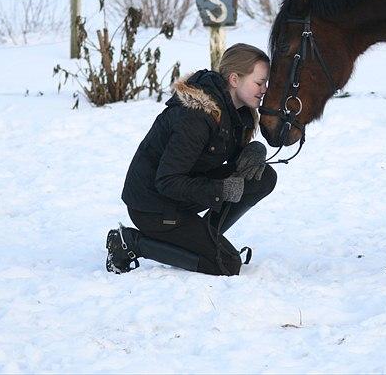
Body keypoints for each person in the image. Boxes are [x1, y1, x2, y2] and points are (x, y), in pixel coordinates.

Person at [105, 43, 277, 276]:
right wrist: (222, 188)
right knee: (226, 263)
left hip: (182, 194)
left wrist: (253, 150)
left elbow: (224, 159)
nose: (265, 89)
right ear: (235, 79)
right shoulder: (196, 117)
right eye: (259, 82)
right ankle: (132, 243)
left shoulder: (239, 113)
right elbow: (167, 181)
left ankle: (205, 237)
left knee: (262, 176)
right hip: (153, 206)